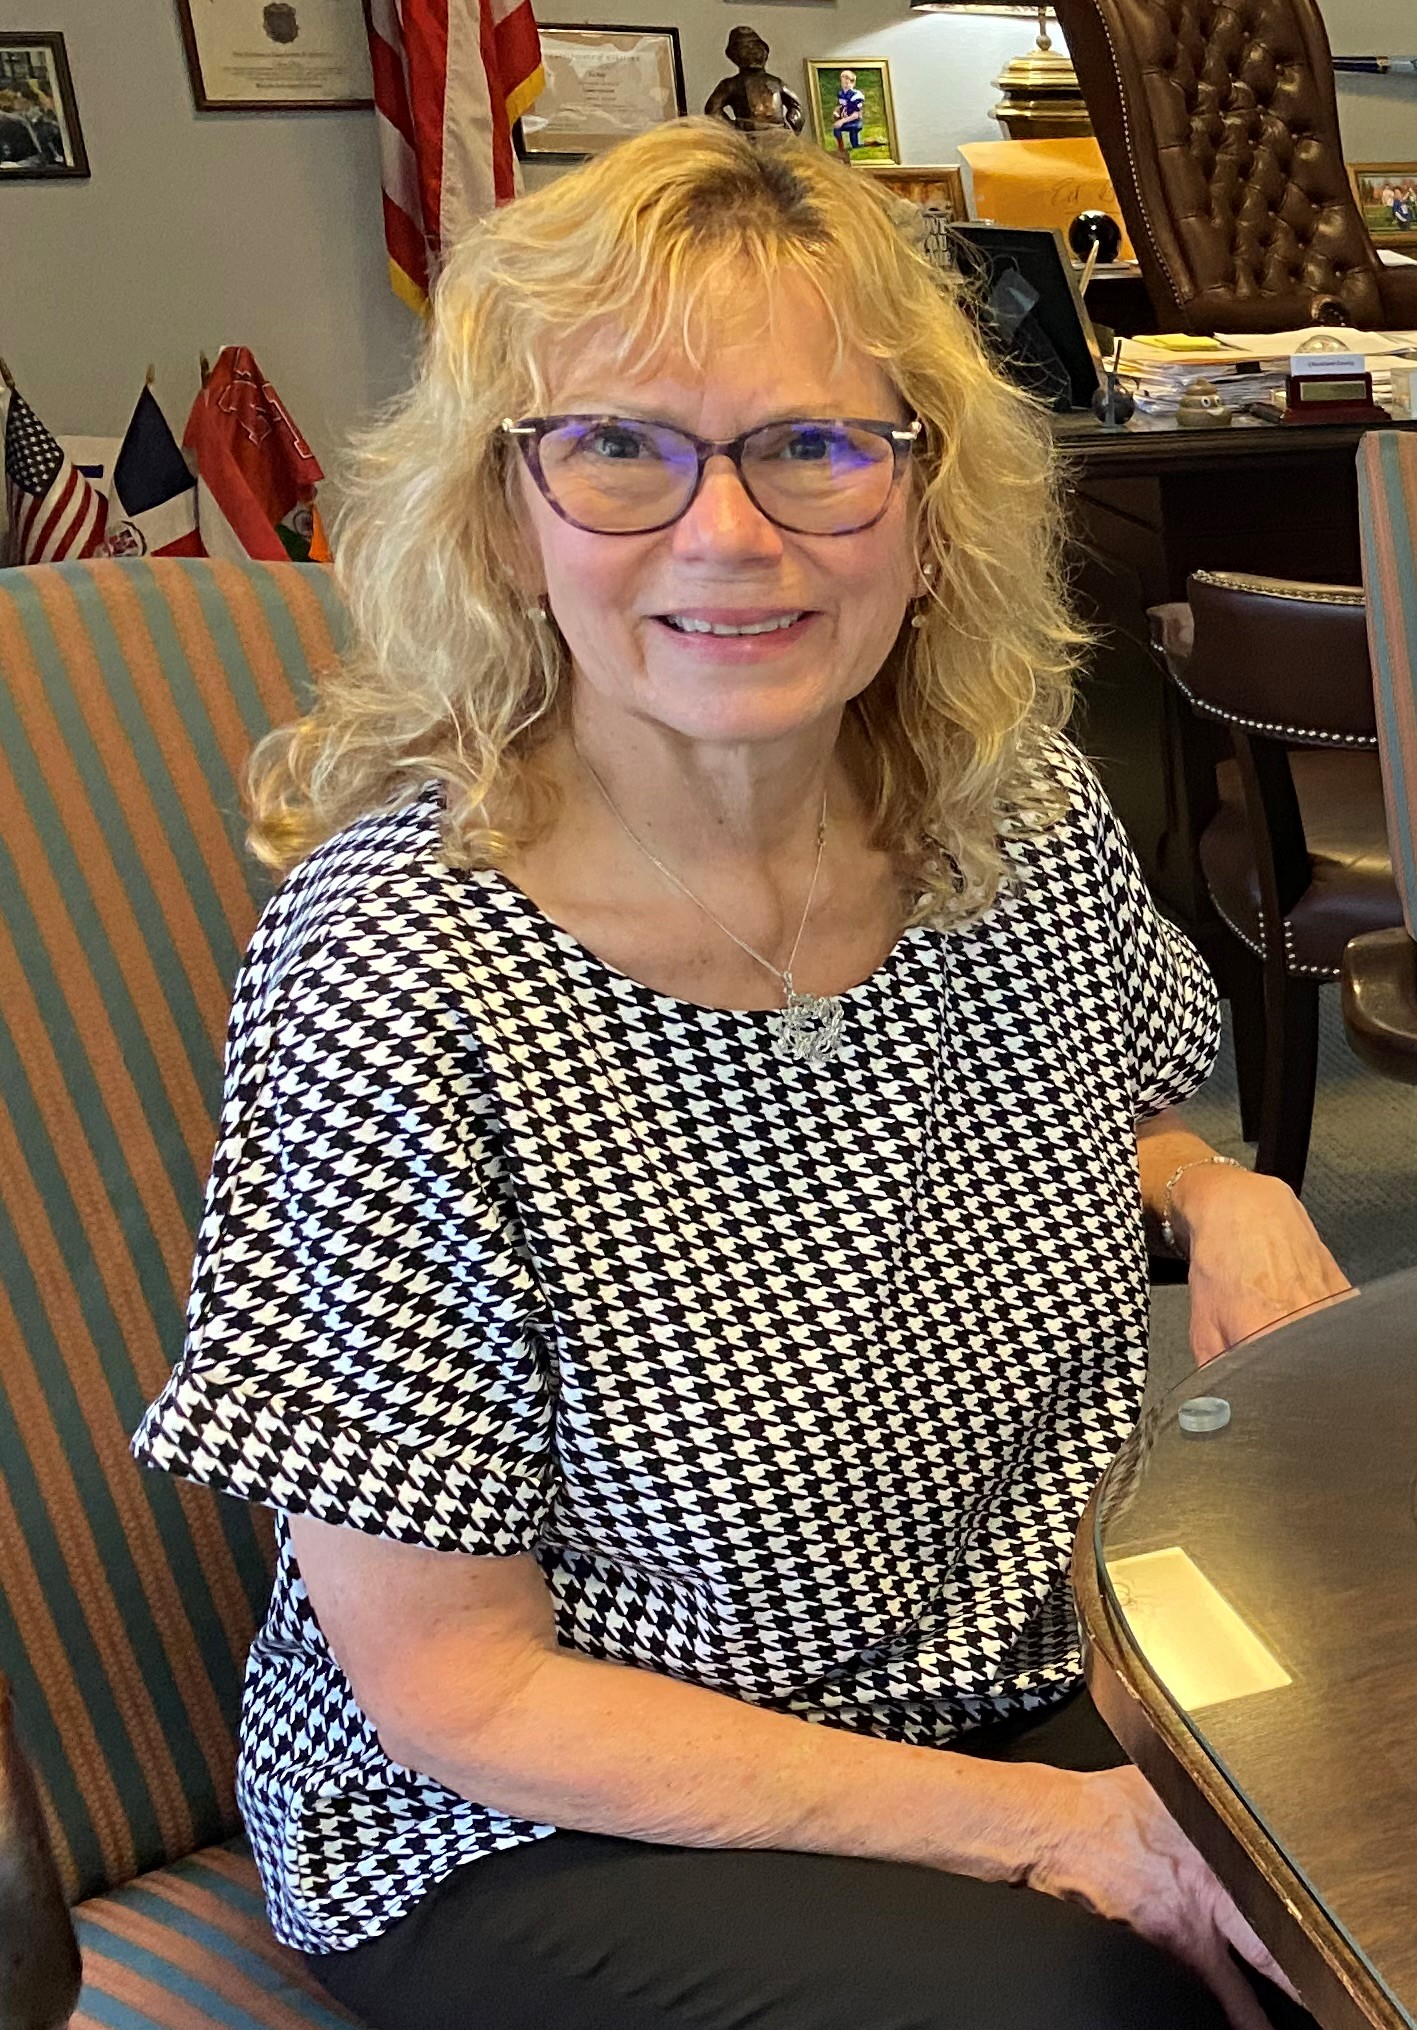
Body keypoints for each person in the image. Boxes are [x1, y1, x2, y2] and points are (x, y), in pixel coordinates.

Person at [132, 120, 1344, 2030]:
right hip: (542, 1807)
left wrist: (1222, 1192)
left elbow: (1106, 1114)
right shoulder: (400, 967)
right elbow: (458, 1688)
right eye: (621, 446)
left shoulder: (1001, 809)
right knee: (1086, 2014)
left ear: (927, 500)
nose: (727, 534)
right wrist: (1062, 1835)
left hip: (1020, 1642)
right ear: (504, 514)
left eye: (813, 445)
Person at [832, 67, 866, 153]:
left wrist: (842, 121)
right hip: (847, 119)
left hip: (855, 121)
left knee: (855, 145)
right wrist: (837, 111)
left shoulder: (856, 95)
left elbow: (855, 115)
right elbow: (842, 105)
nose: (845, 85)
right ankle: (841, 147)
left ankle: (867, 143)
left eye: (847, 83)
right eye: (843, 83)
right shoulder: (841, 93)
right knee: (836, 128)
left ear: (853, 83)